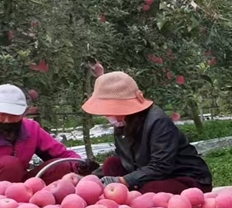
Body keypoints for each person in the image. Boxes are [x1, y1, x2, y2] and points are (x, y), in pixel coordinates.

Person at [82, 72, 212, 193]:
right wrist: (90, 178)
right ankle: (131, 194)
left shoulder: (157, 121)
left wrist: (124, 181)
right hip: (148, 172)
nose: (107, 115)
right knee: (112, 164)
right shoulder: (122, 122)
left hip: (184, 178)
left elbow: (162, 166)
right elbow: (123, 156)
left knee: (150, 190)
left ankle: (138, 195)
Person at [0, 85, 93, 183]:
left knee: (64, 166)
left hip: (22, 183)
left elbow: (62, 154)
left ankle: (34, 201)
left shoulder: (32, 129)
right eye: (1, 114)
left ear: (24, 113)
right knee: (9, 165)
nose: (7, 120)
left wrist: (80, 164)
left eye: (13, 114)